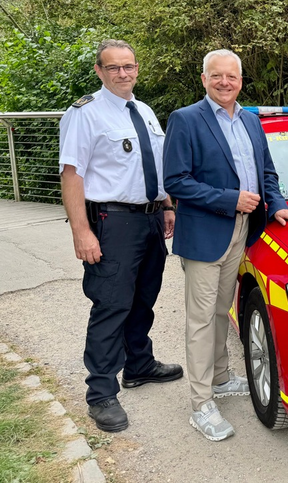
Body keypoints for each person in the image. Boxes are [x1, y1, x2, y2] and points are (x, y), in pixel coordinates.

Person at [163, 49, 288, 442]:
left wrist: (276, 207)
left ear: (241, 80)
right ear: (204, 78)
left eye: (232, 76)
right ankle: (201, 403)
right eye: (217, 76)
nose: (225, 82)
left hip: (244, 230)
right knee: (200, 320)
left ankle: (223, 378)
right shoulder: (186, 119)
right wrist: (230, 199)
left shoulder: (250, 120)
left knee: (218, 311)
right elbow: (175, 181)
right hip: (205, 235)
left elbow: (266, 173)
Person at [59, 39, 183, 433]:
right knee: (111, 304)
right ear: (99, 70)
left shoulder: (143, 110)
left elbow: (157, 165)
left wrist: (166, 206)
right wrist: (82, 230)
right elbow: (72, 175)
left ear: (137, 68)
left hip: (148, 219)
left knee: (144, 297)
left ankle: (139, 366)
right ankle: (100, 393)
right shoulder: (85, 114)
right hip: (111, 222)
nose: (122, 74)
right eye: (113, 68)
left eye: (128, 66)